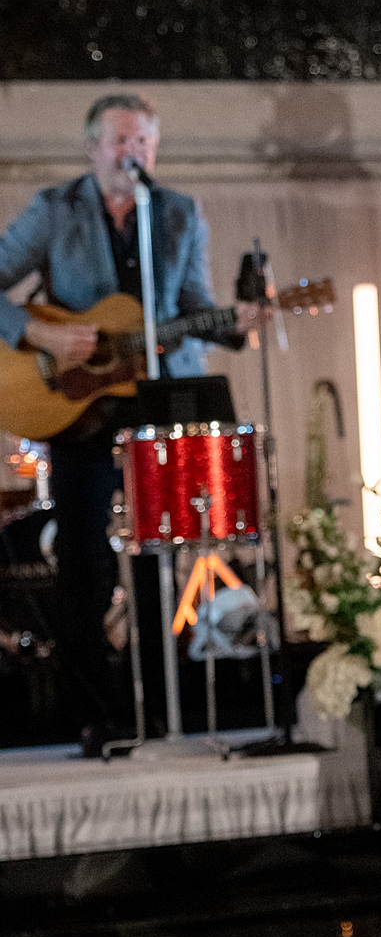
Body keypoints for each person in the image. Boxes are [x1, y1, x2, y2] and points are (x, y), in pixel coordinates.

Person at [0, 93, 256, 752]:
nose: (131, 152)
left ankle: (161, 707)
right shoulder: (56, 210)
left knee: (158, 557)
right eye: (119, 140)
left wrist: (236, 326)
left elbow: (192, 305)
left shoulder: (176, 213)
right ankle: (95, 712)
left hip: (155, 408)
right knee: (85, 562)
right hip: (78, 410)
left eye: (142, 140)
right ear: (92, 149)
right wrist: (38, 334)